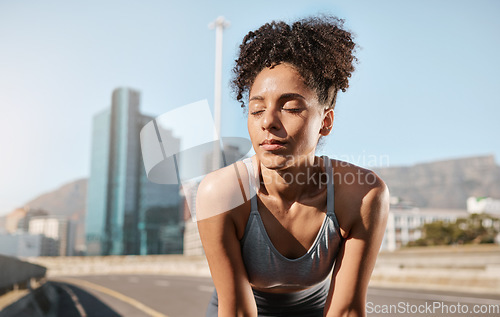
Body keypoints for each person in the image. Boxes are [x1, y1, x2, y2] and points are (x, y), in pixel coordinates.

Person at [196, 15, 389, 317]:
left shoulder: (362, 195)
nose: (268, 122)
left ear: (325, 122)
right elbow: (236, 312)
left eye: (290, 108)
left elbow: (347, 310)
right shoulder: (220, 194)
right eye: (256, 109)